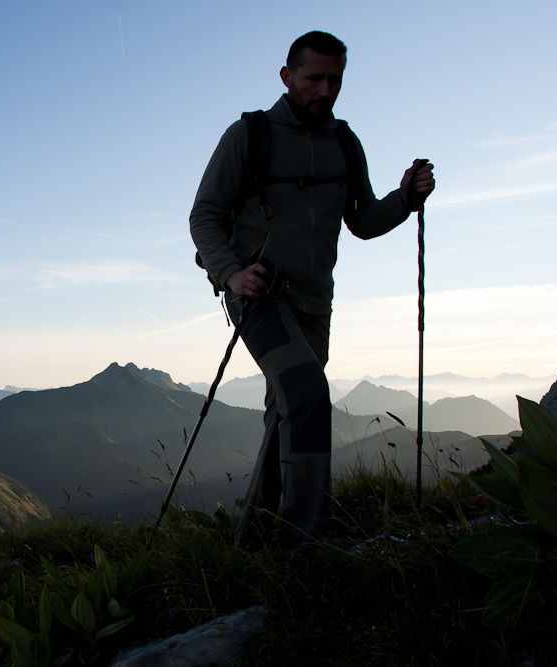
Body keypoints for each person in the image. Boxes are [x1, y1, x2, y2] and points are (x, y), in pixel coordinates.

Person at [189, 30, 435, 552]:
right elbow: (205, 214)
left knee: (287, 410)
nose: (325, 90)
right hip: (259, 295)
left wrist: (405, 198)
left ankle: (251, 544)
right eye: (314, 78)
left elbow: (363, 220)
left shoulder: (344, 143)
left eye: (335, 80)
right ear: (286, 77)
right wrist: (231, 274)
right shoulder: (250, 136)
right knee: (308, 396)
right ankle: (304, 547)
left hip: (314, 301)